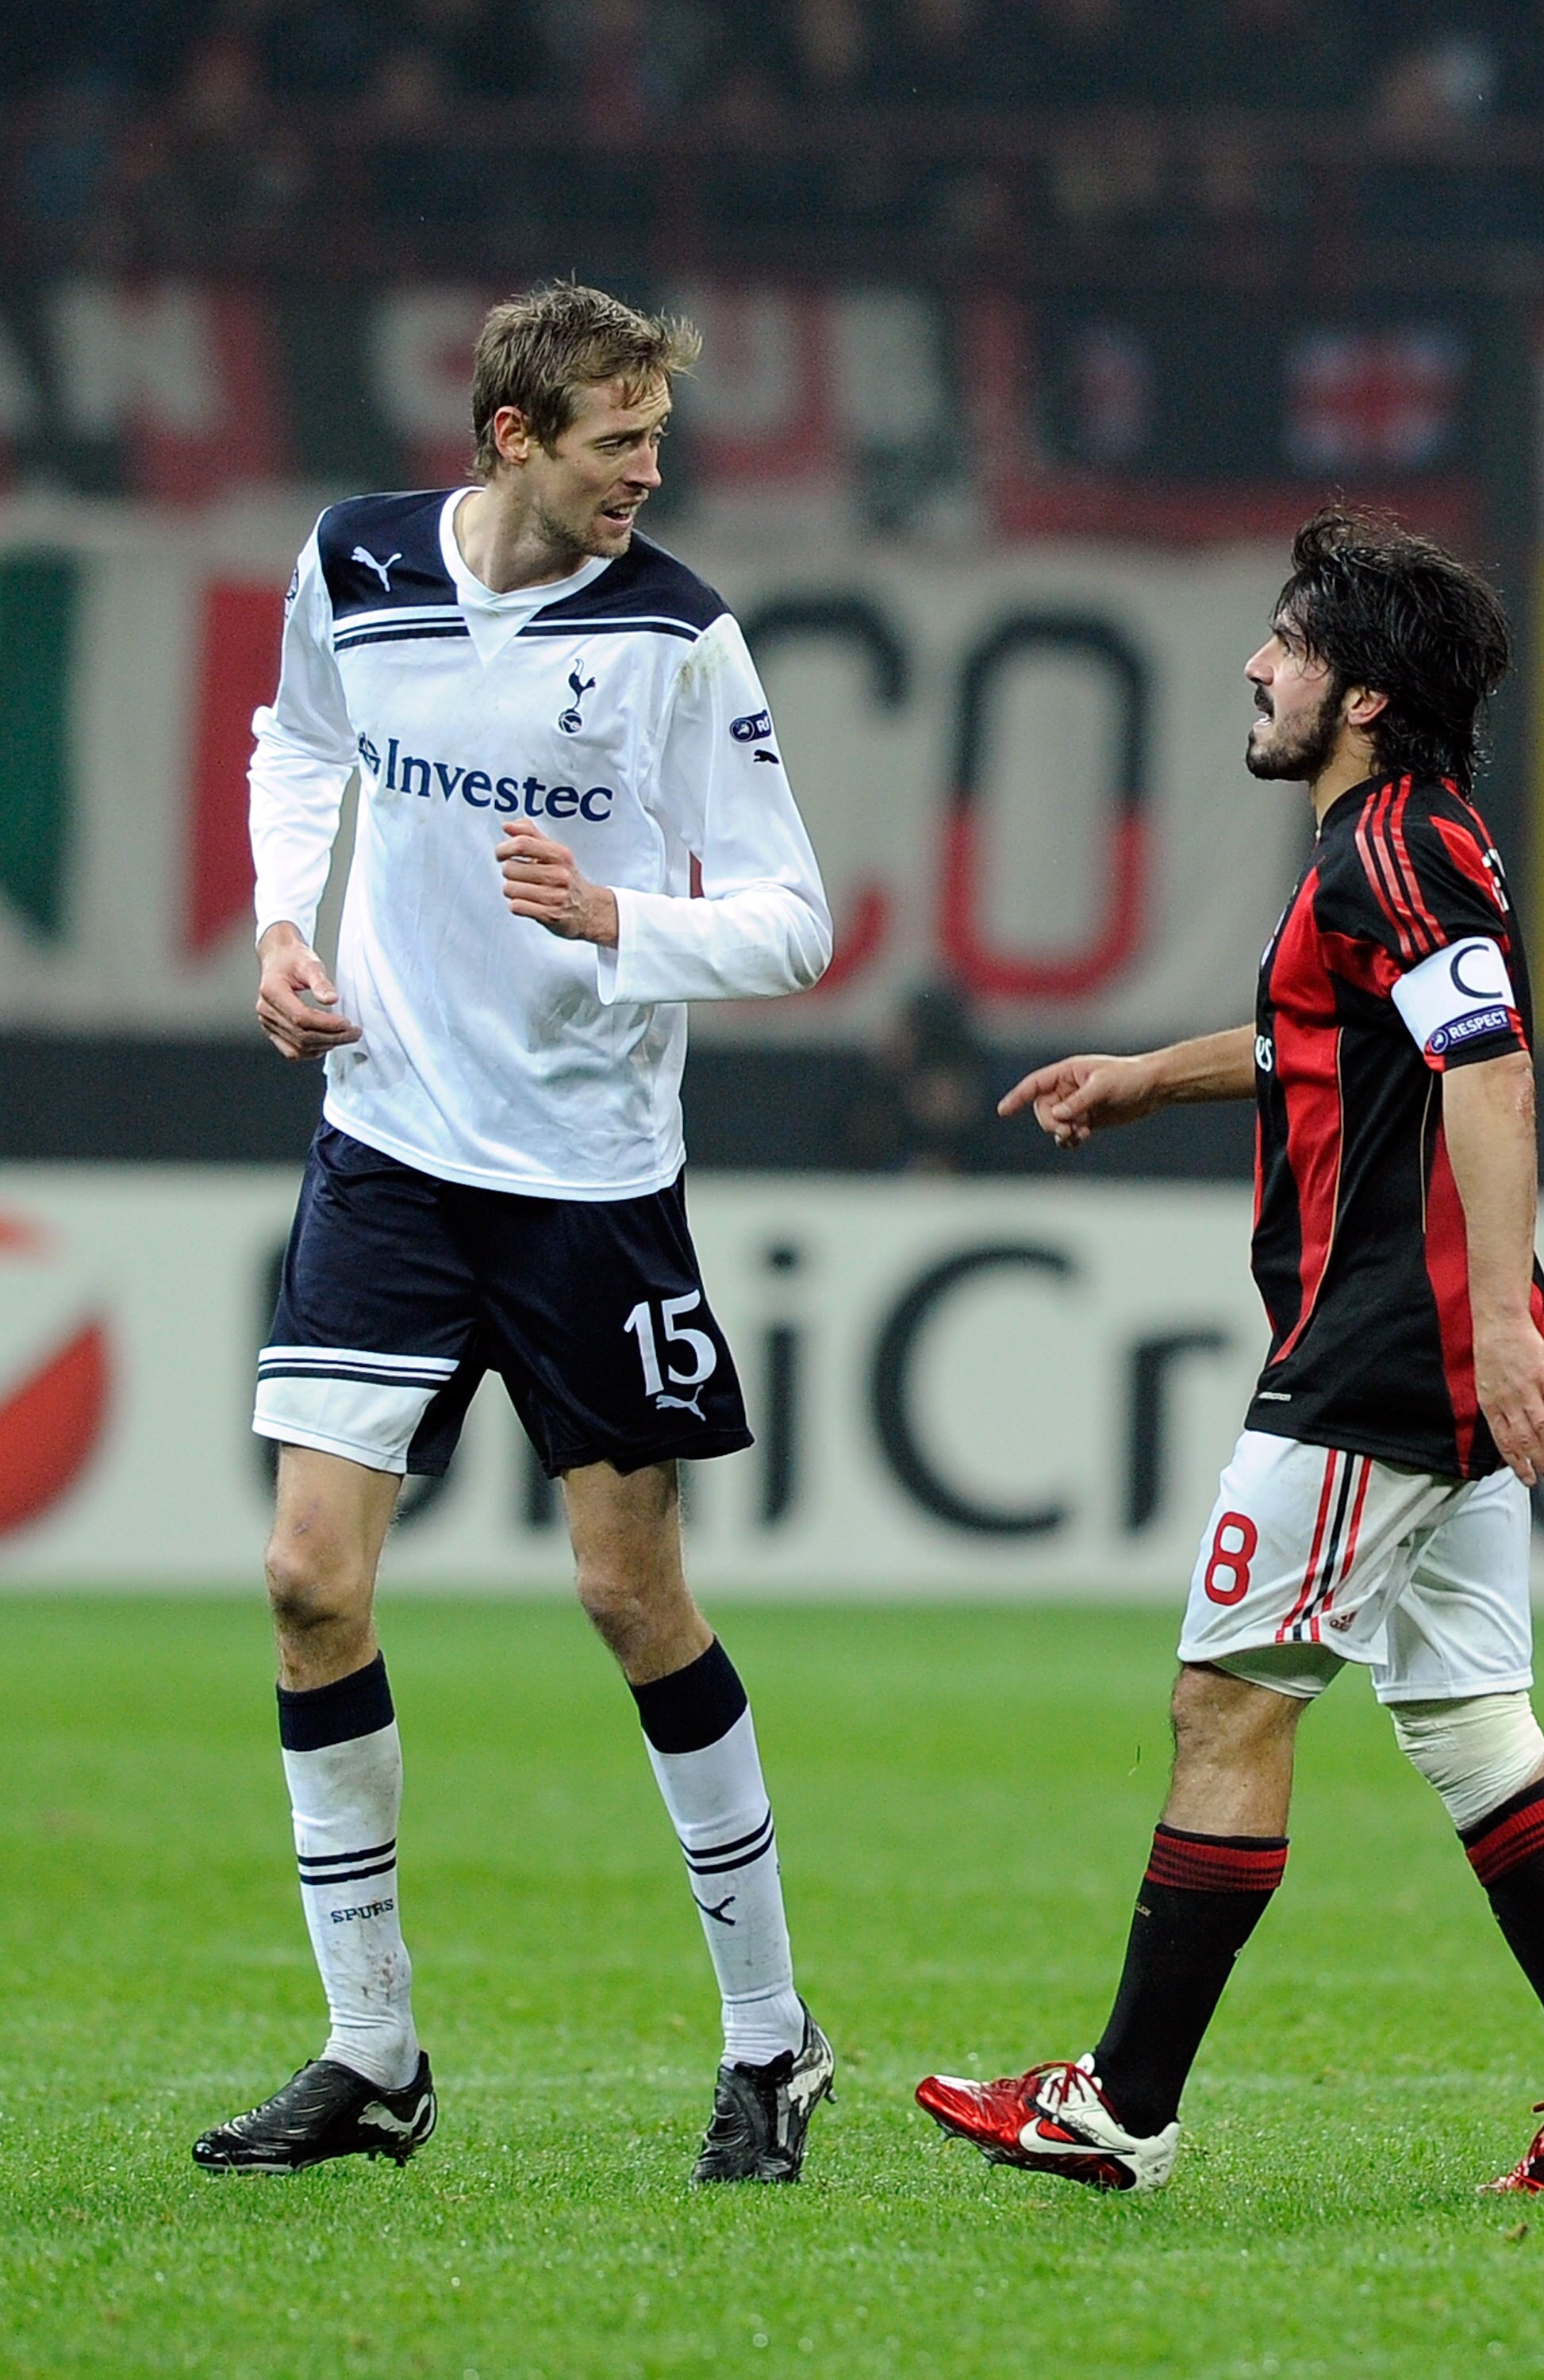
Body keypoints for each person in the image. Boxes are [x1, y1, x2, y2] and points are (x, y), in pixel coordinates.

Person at [916, 507, 1544, 2198]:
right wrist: (1148, 1073)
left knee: (1226, 1697)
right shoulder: (1387, 849)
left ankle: (1119, 2105)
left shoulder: (1398, 851)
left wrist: (1493, 1329)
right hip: (1420, 1356)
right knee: (1475, 1721)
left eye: (1286, 643)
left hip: (1383, 1361)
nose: (1257, 666)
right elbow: (1332, 1043)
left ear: (1357, 696)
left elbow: (1491, 1070)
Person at [193, 281, 835, 2185]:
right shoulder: (357, 562)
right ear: (509, 440)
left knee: (629, 1599)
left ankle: (770, 2039)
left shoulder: (679, 639)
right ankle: (371, 2054)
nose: (651, 472)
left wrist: (620, 925)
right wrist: (280, 923)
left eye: (659, 439)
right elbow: (295, 742)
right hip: (386, 1143)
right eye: (616, 440)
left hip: (585, 1179)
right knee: (311, 1581)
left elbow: (798, 922)